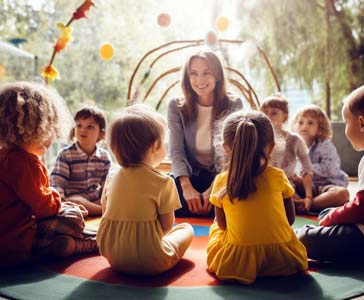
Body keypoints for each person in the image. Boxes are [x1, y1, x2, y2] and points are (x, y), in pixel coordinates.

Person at [296, 82, 364, 263]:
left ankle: (300, 234)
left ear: (362, 123)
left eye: (346, 122)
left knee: (305, 239)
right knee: (326, 213)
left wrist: (333, 218)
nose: (345, 129)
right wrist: (332, 215)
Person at [0, 82, 98, 267]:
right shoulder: (25, 163)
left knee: (66, 215)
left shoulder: (4, 155)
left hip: (7, 238)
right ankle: (91, 243)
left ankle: (64, 246)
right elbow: (44, 208)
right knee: (73, 217)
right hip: (16, 242)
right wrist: (60, 203)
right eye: (43, 132)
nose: (50, 139)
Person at [207, 110, 308, 285]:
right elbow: (290, 220)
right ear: (271, 147)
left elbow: (223, 226)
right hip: (283, 260)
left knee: (216, 228)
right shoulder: (278, 175)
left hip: (236, 264)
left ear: (225, 148)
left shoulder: (222, 180)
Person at [97, 105, 194, 275]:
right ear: (156, 145)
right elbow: (167, 226)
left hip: (112, 255)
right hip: (152, 260)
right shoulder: (163, 181)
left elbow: (105, 213)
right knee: (186, 229)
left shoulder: (111, 177)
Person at [168, 50, 243, 218]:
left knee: (239, 198)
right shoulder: (175, 106)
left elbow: (233, 153)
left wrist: (215, 187)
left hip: (221, 175)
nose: (199, 79)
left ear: (217, 75)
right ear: (187, 77)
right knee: (165, 198)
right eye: (193, 73)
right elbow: (176, 150)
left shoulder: (234, 104)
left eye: (206, 73)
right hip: (188, 176)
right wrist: (186, 187)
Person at [50, 107, 111, 216]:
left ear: (101, 134)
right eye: (79, 125)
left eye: (90, 127)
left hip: (95, 200)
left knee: (111, 197)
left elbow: (106, 185)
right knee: (77, 201)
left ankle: (100, 210)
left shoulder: (104, 157)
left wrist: (105, 200)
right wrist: (61, 203)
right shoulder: (66, 155)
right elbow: (57, 183)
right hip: (74, 200)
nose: (83, 130)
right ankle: (103, 211)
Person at [290, 104, 349, 212]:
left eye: (310, 123)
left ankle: (306, 205)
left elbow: (330, 169)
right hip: (305, 187)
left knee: (342, 194)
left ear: (320, 128)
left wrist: (307, 169)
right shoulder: (293, 146)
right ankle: (299, 202)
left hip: (325, 186)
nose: (304, 126)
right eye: (300, 122)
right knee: (284, 185)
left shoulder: (325, 145)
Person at [260, 96, 314, 212]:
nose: (268, 116)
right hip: (262, 186)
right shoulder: (256, 139)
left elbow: (307, 169)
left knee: (339, 195)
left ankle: (300, 204)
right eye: (265, 113)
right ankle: (292, 204)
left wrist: (309, 197)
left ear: (285, 116)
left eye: (274, 113)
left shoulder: (295, 140)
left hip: (287, 187)